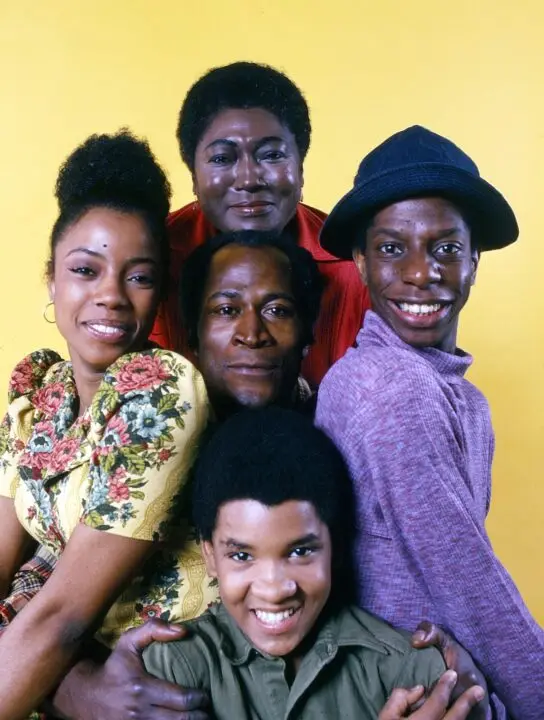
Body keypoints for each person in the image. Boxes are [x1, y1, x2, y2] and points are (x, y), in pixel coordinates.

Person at [316, 125, 544, 718]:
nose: (422, 273)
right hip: (399, 695)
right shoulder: (391, 387)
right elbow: (471, 588)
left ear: (474, 261)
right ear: (361, 263)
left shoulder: (461, 398)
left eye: (446, 248)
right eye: (393, 248)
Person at [0, 130, 216, 718]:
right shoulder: (37, 395)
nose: (111, 296)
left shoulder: (163, 391)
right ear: (51, 278)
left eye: (138, 276)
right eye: (85, 269)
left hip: (164, 677)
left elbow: (62, 618)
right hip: (61, 673)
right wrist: (67, 689)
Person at [143, 407, 487, 719]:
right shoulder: (171, 670)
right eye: (242, 556)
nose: (274, 589)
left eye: (299, 552)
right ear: (210, 557)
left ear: (335, 548)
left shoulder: (410, 670)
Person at [150, 61, 371, 387]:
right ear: (194, 177)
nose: (249, 180)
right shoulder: (155, 256)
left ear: (301, 166)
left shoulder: (354, 262)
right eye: (223, 159)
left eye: (271, 155)